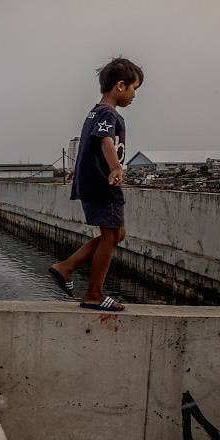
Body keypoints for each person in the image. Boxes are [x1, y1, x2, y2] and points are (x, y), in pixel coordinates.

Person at [50, 57, 144, 312]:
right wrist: (115, 167)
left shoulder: (94, 112)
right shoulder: (107, 113)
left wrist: (79, 173)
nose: (135, 94)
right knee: (112, 235)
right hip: (104, 184)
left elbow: (87, 147)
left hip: (92, 182)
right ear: (121, 86)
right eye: (135, 88)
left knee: (116, 234)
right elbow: (105, 142)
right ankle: (94, 293)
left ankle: (66, 267)